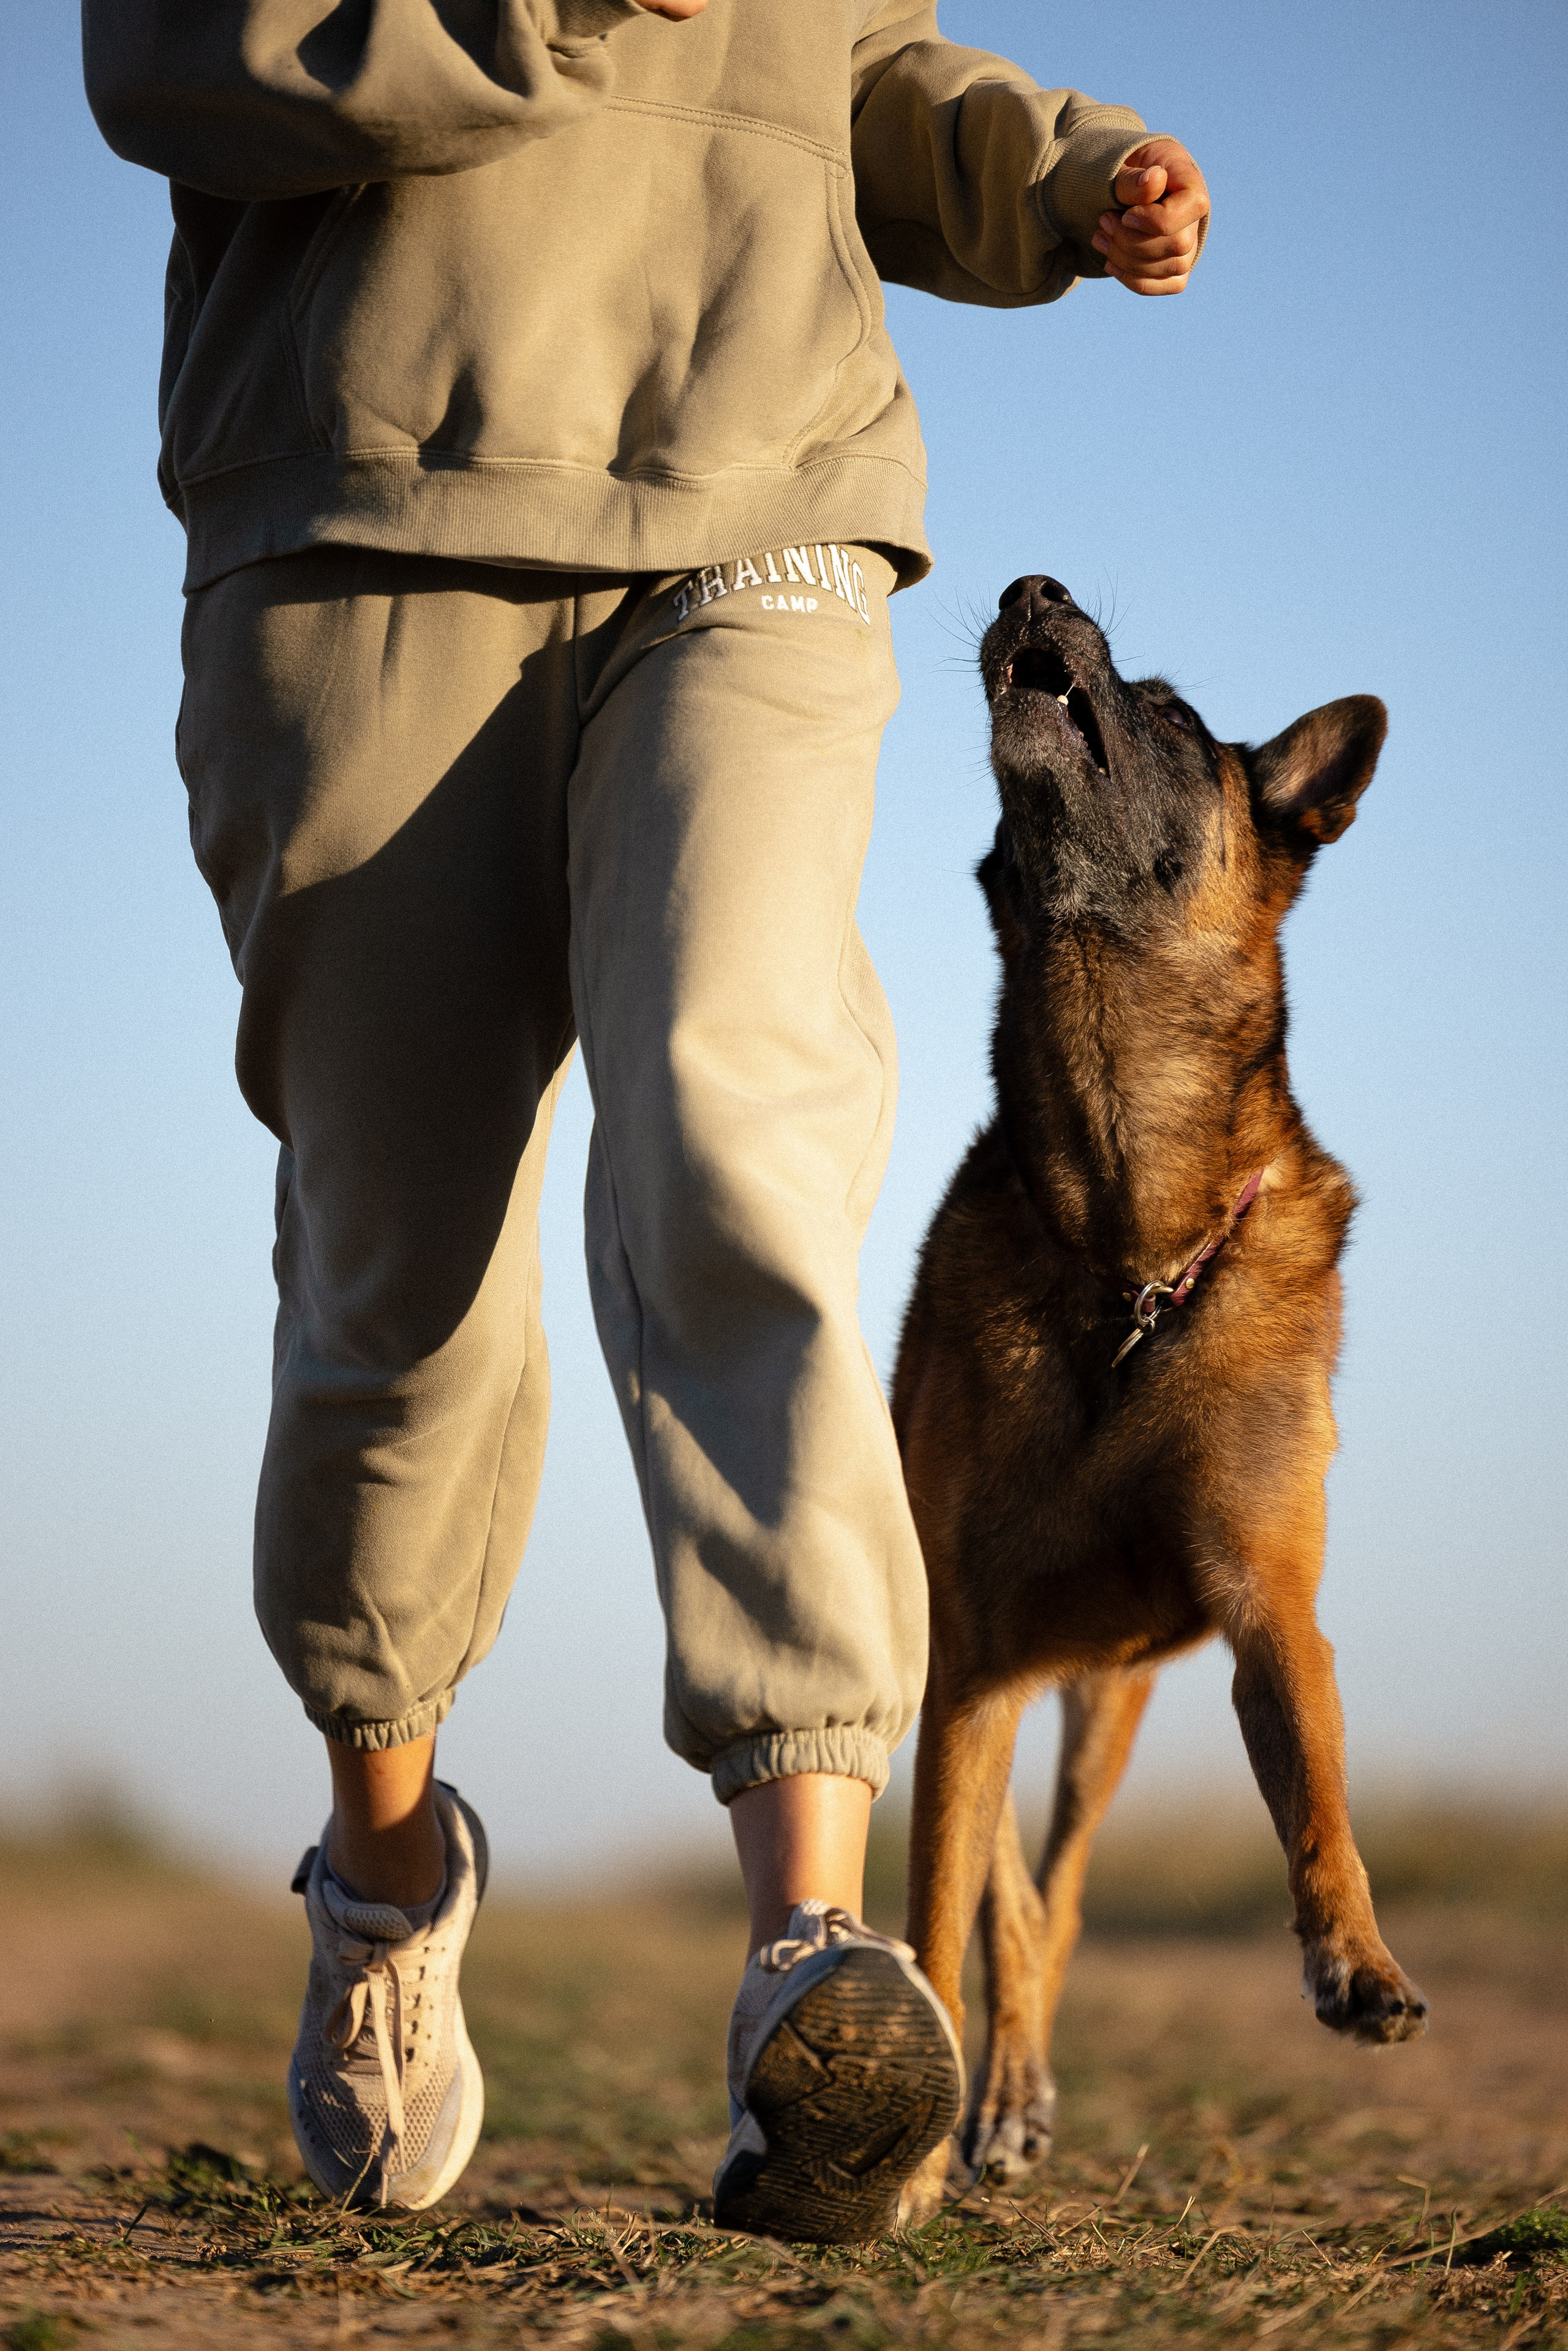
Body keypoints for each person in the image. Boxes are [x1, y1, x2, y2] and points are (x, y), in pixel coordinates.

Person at [83, 0, 1208, 2242]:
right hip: (364, 509)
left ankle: (816, 1941)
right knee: (402, 1278)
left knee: (739, 1117)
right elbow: (179, 62)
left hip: (760, 484)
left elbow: (850, 62)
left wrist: (1053, 168)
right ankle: (389, 1868)